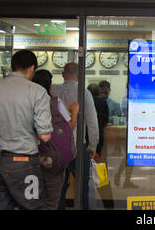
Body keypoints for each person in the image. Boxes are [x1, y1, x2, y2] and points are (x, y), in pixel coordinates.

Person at [0, 49, 53, 210]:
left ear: (11, 67)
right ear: (32, 69)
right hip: (24, 162)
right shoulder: (37, 92)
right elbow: (44, 136)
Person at [50, 62, 99, 210]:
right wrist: (92, 146)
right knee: (84, 186)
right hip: (77, 146)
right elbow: (92, 122)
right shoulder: (84, 93)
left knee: (59, 187)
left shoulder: (52, 90)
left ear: (63, 74)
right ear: (78, 76)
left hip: (56, 146)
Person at [32, 69, 79, 210]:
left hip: (31, 157)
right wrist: (75, 111)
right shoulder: (54, 102)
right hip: (52, 158)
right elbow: (69, 127)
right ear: (50, 85)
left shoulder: (27, 101)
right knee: (51, 202)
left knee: (31, 201)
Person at [87, 83, 109, 158]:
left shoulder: (84, 101)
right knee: (97, 154)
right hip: (99, 131)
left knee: (86, 155)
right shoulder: (103, 101)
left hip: (85, 133)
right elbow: (106, 119)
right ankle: (96, 168)